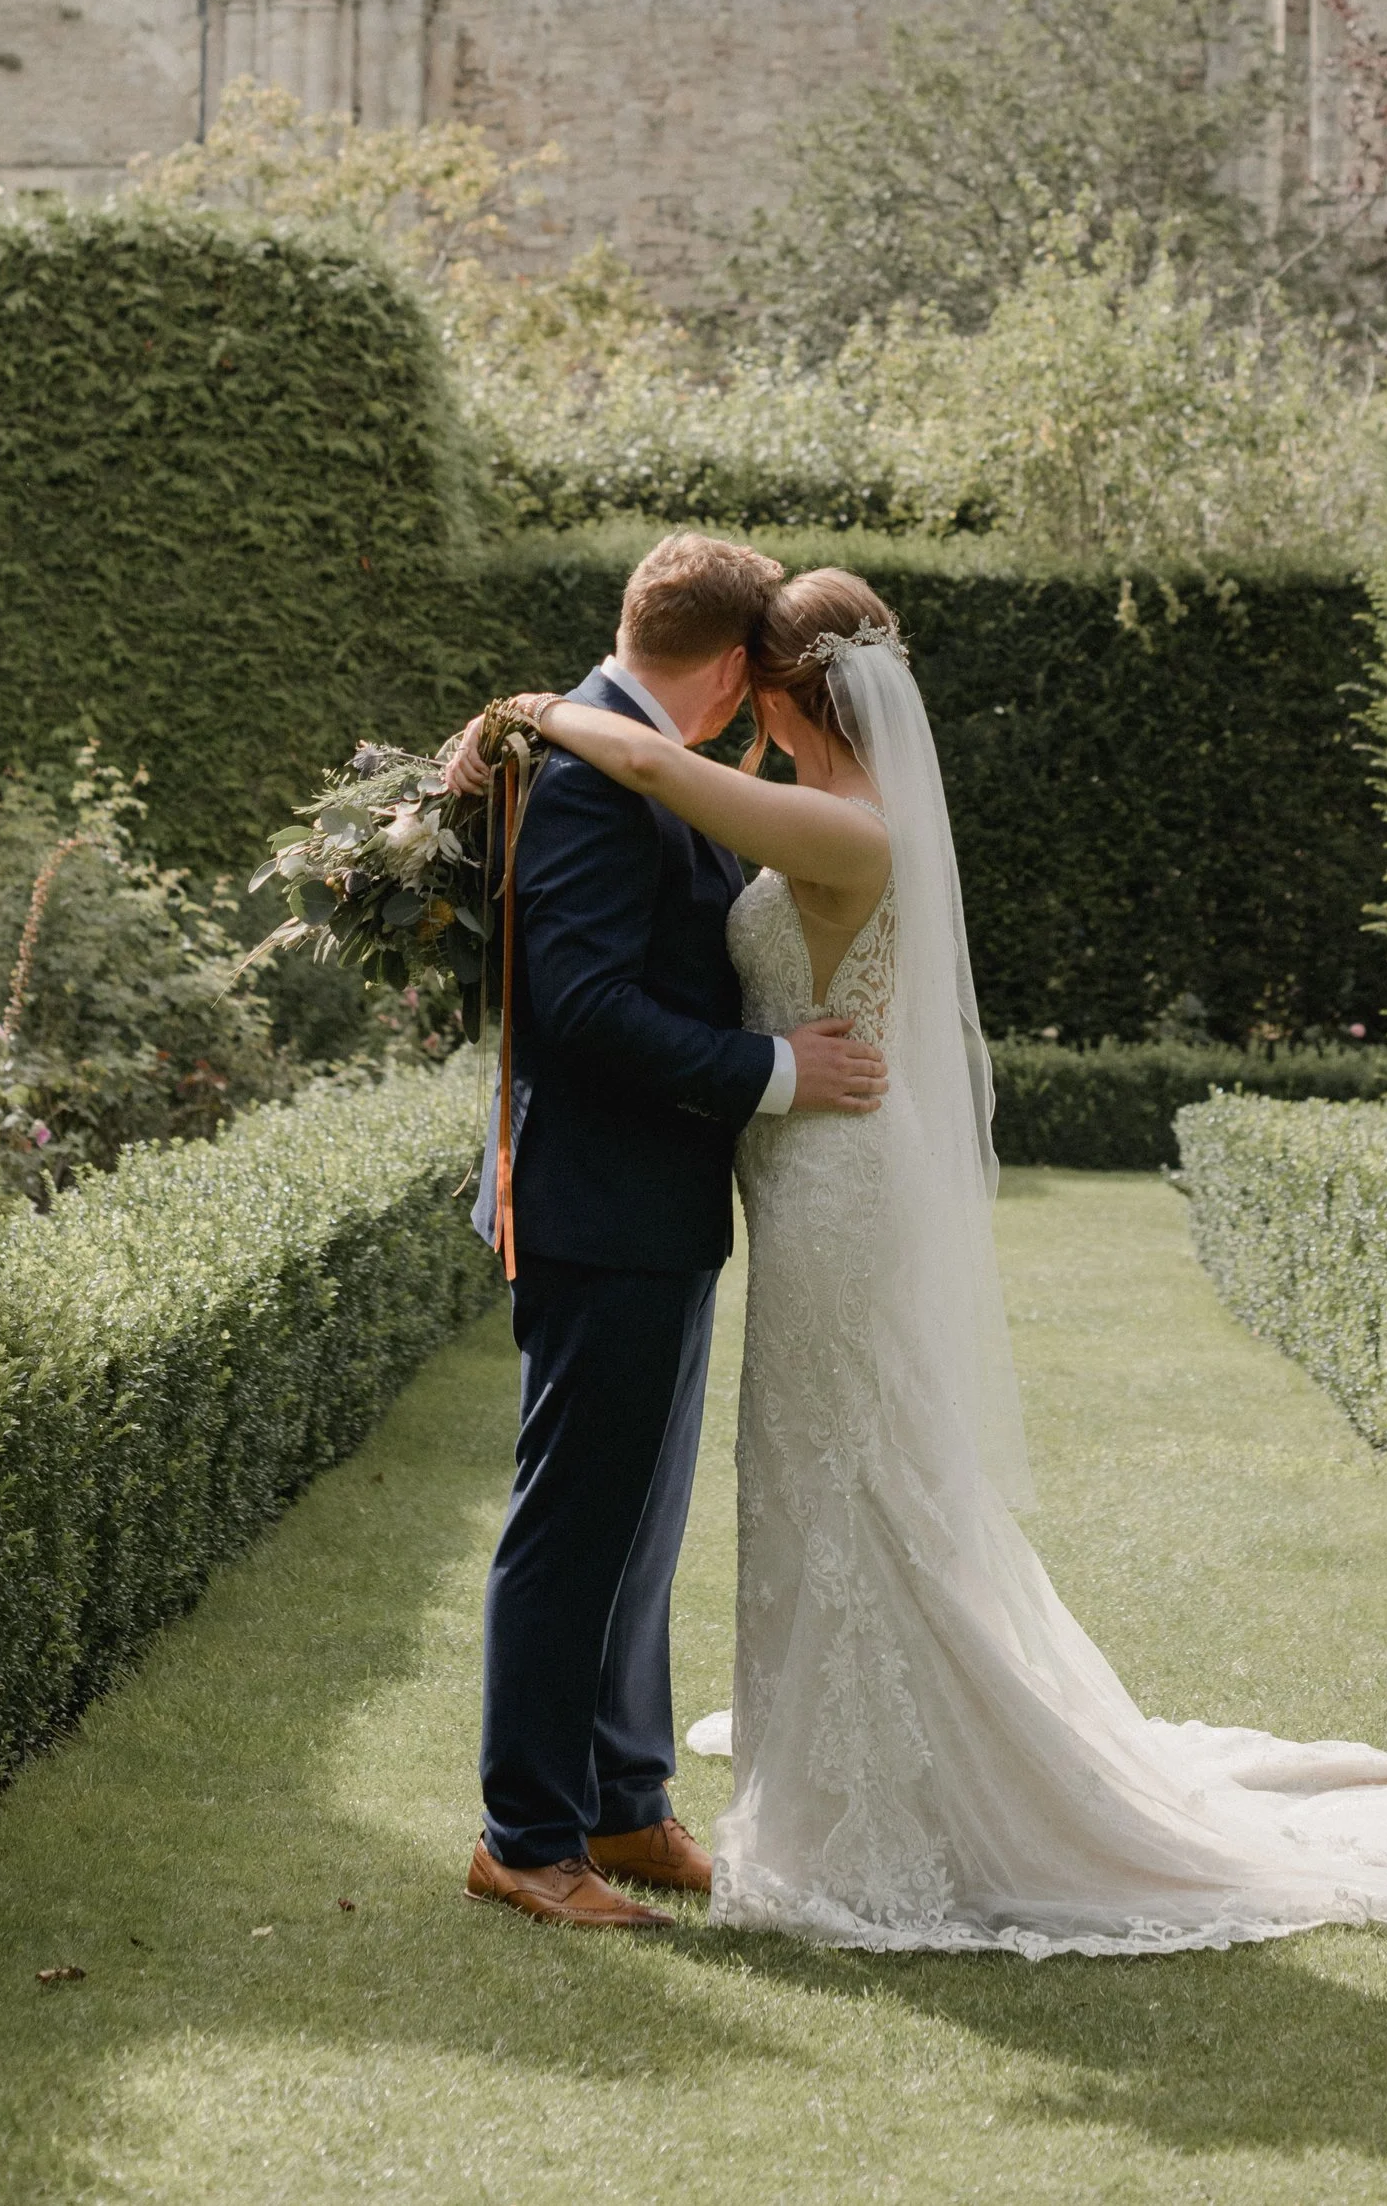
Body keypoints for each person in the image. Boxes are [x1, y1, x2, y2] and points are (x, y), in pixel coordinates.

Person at [488, 561, 1387, 1957]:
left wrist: (554, 712)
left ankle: (690, 1799)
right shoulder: (781, 795)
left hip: (821, 1189)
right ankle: (590, 1812)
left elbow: (663, 782)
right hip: (754, 1186)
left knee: (820, 1489)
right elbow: (614, 952)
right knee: (744, 1496)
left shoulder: (806, 812)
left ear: (778, 691)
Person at [456, 531, 890, 1935]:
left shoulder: (644, 752)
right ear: (719, 664)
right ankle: (526, 1835)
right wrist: (774, 1073)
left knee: (641, 1525)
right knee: (574, 1524)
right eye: (751, 674)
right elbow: (577, 1004)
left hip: (662, 1203)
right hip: (599, 1199)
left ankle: (625, 1800)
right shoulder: (592, 768)